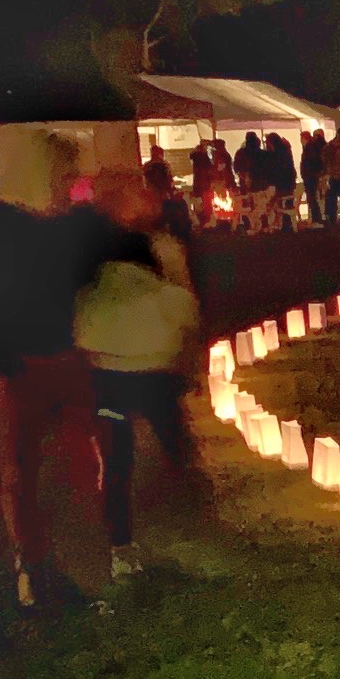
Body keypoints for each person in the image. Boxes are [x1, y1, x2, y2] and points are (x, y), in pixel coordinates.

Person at [0, 198, 108, 610]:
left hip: (15, 370)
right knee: (64, 462)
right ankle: (73, 559)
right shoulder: (45, 258)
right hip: (49, 365)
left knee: (17, 471)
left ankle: (33, 563)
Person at [73, 180, 204, 579]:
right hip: (147, 371)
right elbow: (185, 308)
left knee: (126, 457)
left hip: (115, 373)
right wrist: (188, 361)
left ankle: (137, 538)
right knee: (158, 449)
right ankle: (180, 523)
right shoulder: (153, 255)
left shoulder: (93, 258)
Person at [301, 129, 327, 224]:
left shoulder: (310, 148)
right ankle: (320, 217)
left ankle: (317, 219)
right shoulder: (318, 147)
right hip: (317, 175)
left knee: (314, 198)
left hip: (312, 177)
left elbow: (309, 163)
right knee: (318, 198)